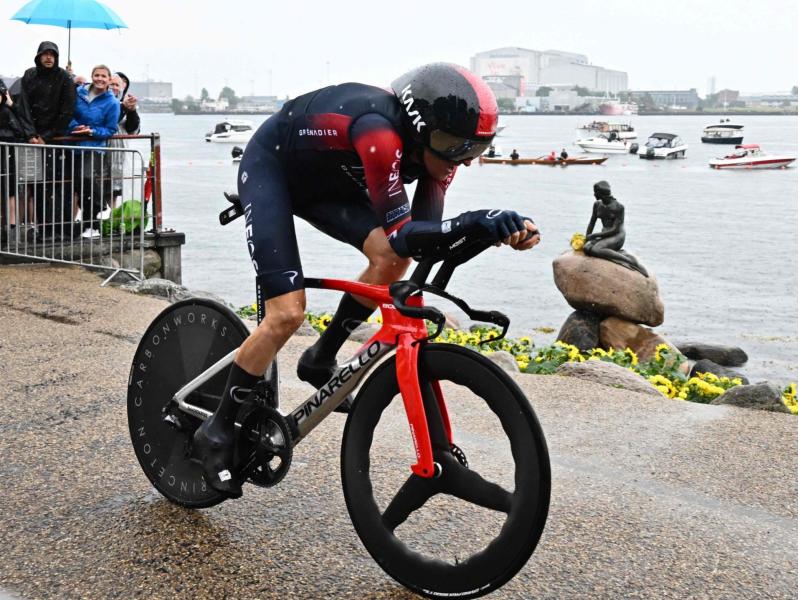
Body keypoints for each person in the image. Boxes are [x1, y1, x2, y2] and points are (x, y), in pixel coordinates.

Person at [192, 63, 540, 497]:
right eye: (455, 147)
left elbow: (419, 242)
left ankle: (322, 356)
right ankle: (217, 430)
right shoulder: (378, 131)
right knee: (286, 314)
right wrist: (475, 220)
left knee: (393, 258)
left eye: (474, 149)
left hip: (326, 181)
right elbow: (404, 229)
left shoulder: (440, 156)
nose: (462, 160)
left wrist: (495, 231)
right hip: (273, 169)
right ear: (421, 128)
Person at [18, 41, 76, 239]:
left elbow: (67, 110)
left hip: (57, 140)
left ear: (57, 57)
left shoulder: (65, 78)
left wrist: (48, 136)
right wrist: (30, 134)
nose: (49, 57)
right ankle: (44, 229)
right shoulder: (29, 75)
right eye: (45, 54)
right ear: (38, 56)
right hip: (33, 139)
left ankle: (62, 229)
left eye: (52, 54)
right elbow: (23, 106)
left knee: (59, 185)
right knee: (38, 185)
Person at [68, 64, 120, 238]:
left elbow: (110, 130)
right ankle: (90, 224)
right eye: (96, 75)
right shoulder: (78, 93)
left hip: (94, 147)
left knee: (87, 177)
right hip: (75, 145)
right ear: (92, 76)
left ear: (108, 80)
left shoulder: (112, 102)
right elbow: (68, 114)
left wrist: (91, 131)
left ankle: (102, 208)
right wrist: (76, 127)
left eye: (103, 76)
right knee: (80, 186)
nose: (99, 79)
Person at [583, 180, 647, 276]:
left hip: (617, 236)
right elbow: (592, 223)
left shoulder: (618, 207)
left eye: (595, 192)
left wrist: (594, 235)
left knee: (596, 250)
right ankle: (611, 252)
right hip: (604, 235)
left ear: (601, 193)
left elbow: (615, 229)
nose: (594, 194)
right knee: (587, 248)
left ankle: (630, 261)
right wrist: (586, 237)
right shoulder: (597, 205)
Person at [1, 79, 37, 244]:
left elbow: (19, 132)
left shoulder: (7, 112)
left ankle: (12, 228)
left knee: (10, 193)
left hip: (6, 158)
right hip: (6, 157)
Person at [106, 72, 140, 211]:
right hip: (104, 149)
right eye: (112, 84)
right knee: (101, 188)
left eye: (118, 85)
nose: (115, 87)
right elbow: (110, 121)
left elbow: (133, 129)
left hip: (120, 154)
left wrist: (132, 111)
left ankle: (113, 219)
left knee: (115, 190)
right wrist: (124, 108)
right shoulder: (103, 102)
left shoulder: (126, 104)